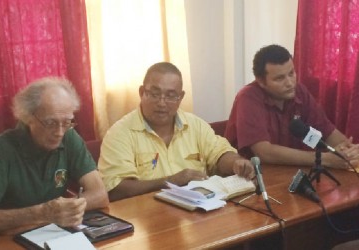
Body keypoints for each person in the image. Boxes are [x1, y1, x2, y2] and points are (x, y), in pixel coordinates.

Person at [98, 62, 255, 201]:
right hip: (147, 221)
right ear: (141, 93)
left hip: (197, 217)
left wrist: (236, 162)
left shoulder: (195, 125)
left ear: (180, 97)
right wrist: (169, 181)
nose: (161, 103)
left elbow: (220, 153)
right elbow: (116, 190)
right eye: (154, 94)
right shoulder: (120, 134)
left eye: (171, 96)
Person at [0, 77, 109, 233]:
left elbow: (100, 195)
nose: (59, 132)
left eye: (67, 122)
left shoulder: (68, 136)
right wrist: (43, 213)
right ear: (28, 117)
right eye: (50, 123)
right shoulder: (4, 150)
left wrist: (67, 209)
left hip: (53, 233)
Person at [225, 44, 359, 168]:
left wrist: (349, 152)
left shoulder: (299, 92)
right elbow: (264, 152)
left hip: (293, 172)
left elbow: (328, 132)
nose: (290, 83)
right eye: (280, 78)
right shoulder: (248, 97)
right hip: (256, 178)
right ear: (261, 81)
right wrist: (324, 159)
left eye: (291, 73)